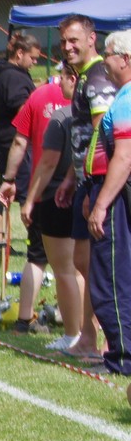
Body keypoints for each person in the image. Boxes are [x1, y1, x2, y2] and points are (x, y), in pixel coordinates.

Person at [18, 71, 94, 354]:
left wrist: (30, 200)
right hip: (85, 195)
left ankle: (73, 333)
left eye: (62, 76)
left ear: (75, 80)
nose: (58, 81)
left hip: (56, 197)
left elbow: (48, 163)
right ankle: (86, 332)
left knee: (64, 271)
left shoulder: (62, 118)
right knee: (82, 270)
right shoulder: (95, 116)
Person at [56, 14, 117, 357]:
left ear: (92, 39)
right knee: (84, 261)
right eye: (64, 41)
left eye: (74, 40)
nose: (67, 47)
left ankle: (109, 340)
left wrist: (94, 187)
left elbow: (103, 135)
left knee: (97, 264)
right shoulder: (82, 78)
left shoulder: (97, 78)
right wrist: (71, 177)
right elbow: (81, 138)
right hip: (85, 179)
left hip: (99, 181)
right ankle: (89, 338)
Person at [0, 65, 72, 335]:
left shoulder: (38, 95)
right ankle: (78, 324)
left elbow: (20, 142)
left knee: (37, 257)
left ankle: (25, 319)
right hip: (75, 188)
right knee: (75, 264)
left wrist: (9, 178)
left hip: (43, 189)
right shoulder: (88, 97)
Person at [85, 30, 131, 401]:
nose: (104, 61)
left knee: (111, 278)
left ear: (125, 59)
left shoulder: (128, 98)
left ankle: (122, 356)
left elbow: (125, 156)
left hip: (119, 198)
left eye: (108, 54)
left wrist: (101, 204)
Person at [0, 33, 41, 245]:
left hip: (11, 142)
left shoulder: (15, 73)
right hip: (16, 143)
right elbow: (24, 111)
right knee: (26, 194)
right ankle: (36, 243)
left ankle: (2, 240)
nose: (35, 62)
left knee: (11, 188)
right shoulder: (13, 77)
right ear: (20, 53)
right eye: (33, 58)